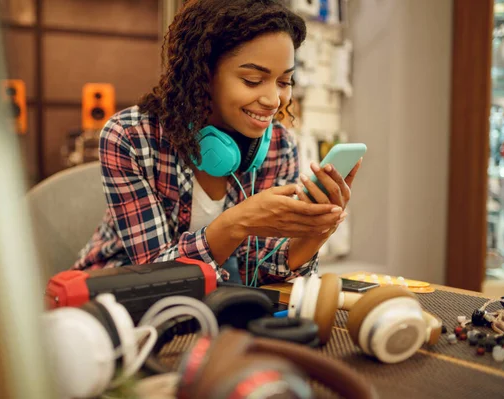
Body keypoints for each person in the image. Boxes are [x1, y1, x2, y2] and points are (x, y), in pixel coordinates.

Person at [73, 0, 361, 286]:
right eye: (252, 80)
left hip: (208, 300)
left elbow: (261, 271)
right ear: (203, 73)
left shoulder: (278, 145)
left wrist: (313, 233)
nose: (274, 100)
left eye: (284, 82)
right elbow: (155, 275)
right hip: (112, 294)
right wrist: (238, 223)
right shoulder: (131, 136)